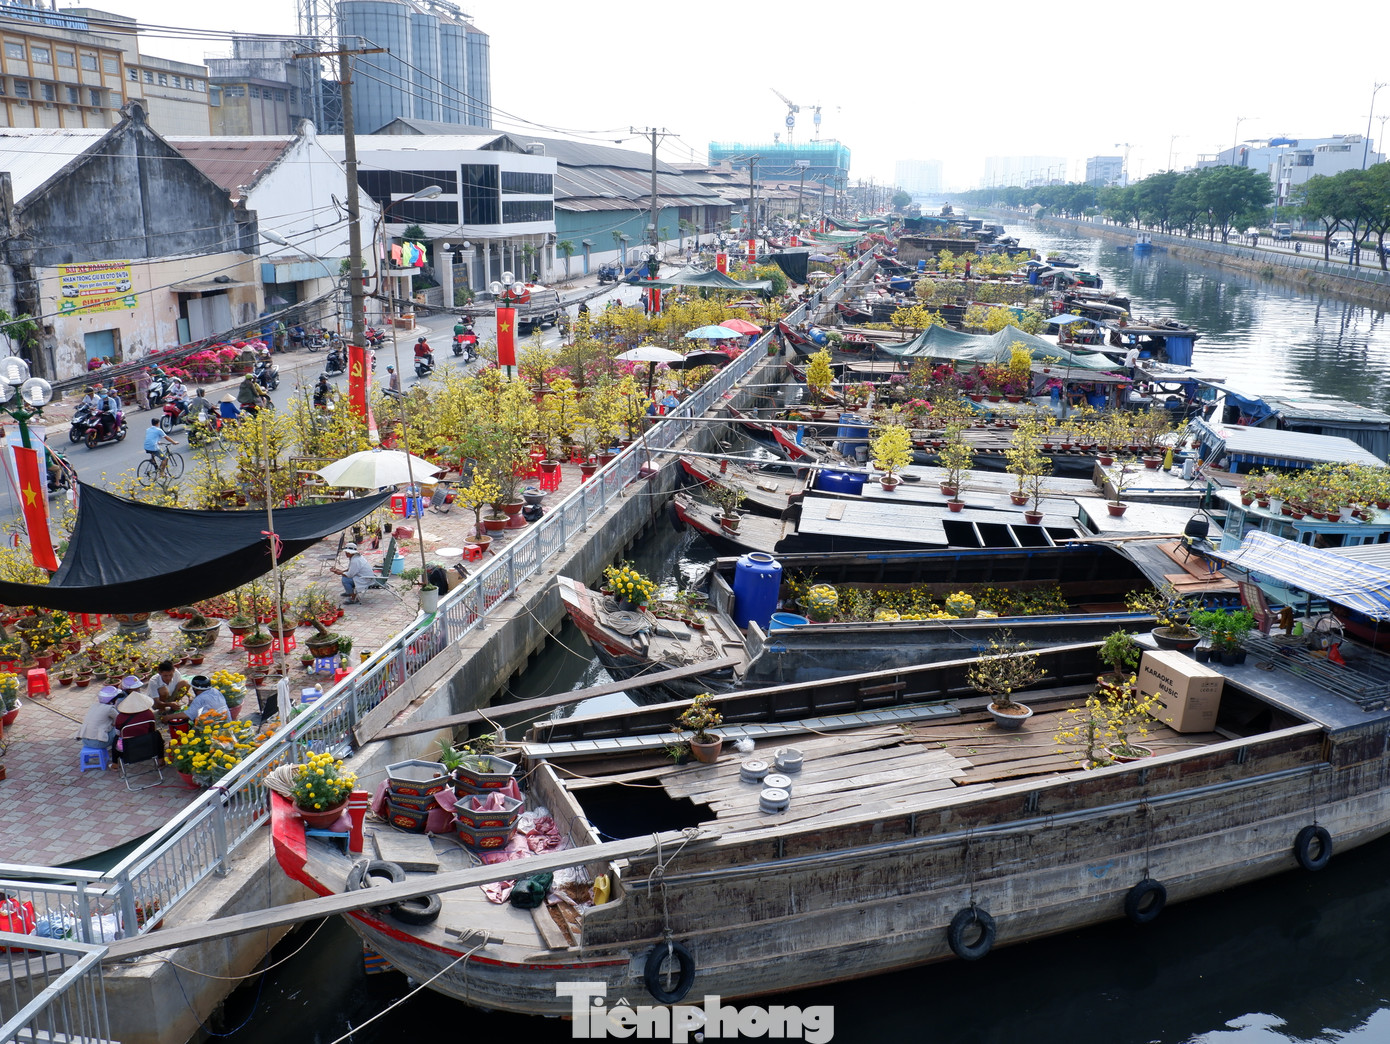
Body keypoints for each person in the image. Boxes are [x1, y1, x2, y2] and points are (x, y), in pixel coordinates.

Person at [76, 687, 121, 760]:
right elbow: (119, 720)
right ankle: (117, 754)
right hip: (98, 743)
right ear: (113, 700)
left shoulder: (94, 706)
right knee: (117, 731)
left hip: (85, 741)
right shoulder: (110, 709)